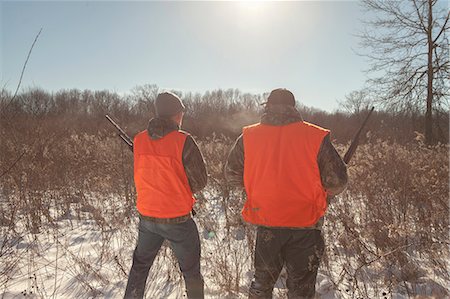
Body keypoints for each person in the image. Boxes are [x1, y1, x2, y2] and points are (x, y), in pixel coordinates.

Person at [225, 88, 348, 299]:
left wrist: (259, 187)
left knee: (262, 285)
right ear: (294, 107)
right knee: (301, 290)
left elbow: (232, 175)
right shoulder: (314, 135)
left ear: (267, 106)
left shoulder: (249, 136)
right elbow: (337, 182)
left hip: (267, 223)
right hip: (305, 225)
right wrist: (322, 193)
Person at [124, 91, 207, 299]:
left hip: (147, 217)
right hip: (178, 218)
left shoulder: (140, 139)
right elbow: (200, 181)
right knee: (191, 273)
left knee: (140, 267)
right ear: (177, 114)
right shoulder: (183, 140)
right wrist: (178, 186)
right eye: (182, 112)